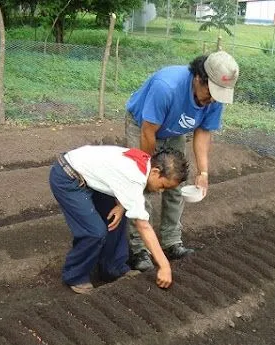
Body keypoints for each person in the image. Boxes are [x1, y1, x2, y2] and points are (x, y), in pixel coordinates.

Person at [125, 51, 239, 271]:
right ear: (198, 78)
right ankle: (138, 249)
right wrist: (148, 169)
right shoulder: (166, 87)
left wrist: (203, 172)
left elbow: (203, 132)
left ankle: (171, 241)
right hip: (143, 127)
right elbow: (148, 132)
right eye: (210, 92)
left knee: (177, 183)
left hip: (174, 131)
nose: (213, 100)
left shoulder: (214, 98)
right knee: (141, 184)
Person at [49, 145, 189, 294]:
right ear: (155, 172)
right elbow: (143, 226)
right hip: (68, 176)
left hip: (90, 176)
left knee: (115, 217)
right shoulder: (135, 178)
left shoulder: (146, 164)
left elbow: (117, 176)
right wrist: (164, 266)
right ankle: (75, 276)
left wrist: (122, 205)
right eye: (162, 186)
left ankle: (114, 268)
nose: (161, 191)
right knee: (94, 232)